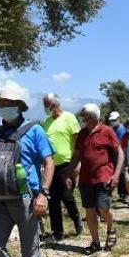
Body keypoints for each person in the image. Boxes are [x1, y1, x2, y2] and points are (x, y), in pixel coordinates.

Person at [0, 85, 55, 257]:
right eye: (1, 103)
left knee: (30, 251)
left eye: (8, 103)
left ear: (18, 106)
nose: (3, 107)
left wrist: (43, 194)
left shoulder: (35, 130)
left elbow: (49, 163)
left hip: (26, 200)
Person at [71, 103, 124, 255]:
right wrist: (70, 172)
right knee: (89, 211)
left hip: (103, 176)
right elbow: (77, 155)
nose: (83, 120)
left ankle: (111, 228)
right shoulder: (82, 134)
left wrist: (116, 175)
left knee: (103, 208)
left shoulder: (107, 131)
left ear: (93, 117)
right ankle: (95, 242)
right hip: (85, 179)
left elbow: (119, 153)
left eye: (85, 117)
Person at [42, 93, 83, 242]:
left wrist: (77, 163)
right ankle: (57, 232)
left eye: (47, 105)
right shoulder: (47, 122)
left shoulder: (69, 118)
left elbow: (78, 142)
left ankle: (77, 219)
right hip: (51, 165)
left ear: (54, 105)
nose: (45, 108)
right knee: (52, 200)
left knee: (66, 196)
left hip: (67, 164)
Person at [108, 111, 128, 202]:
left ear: (118, 119)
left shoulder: (121, 130)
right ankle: (120, 194)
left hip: (121, 155)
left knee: (122, 174)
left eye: (114, 120)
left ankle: (124, 194)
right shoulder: (112, 129)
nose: (113, 121)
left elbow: (120, 145)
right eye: (111, 120)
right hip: (113, 155)